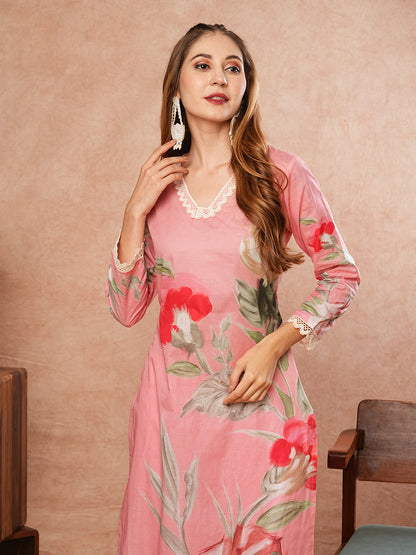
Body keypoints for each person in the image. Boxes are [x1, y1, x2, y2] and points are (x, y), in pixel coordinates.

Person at [106, 23, 360, 555]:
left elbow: (341, 275)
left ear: (247, 85)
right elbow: (127, 308)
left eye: (233, 67)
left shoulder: (279, 173)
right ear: (177, 86)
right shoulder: (158, 183)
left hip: (259, 408)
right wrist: (134, 210)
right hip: (171, 414)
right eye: (202, 65)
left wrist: (274, 346)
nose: (219, 77)